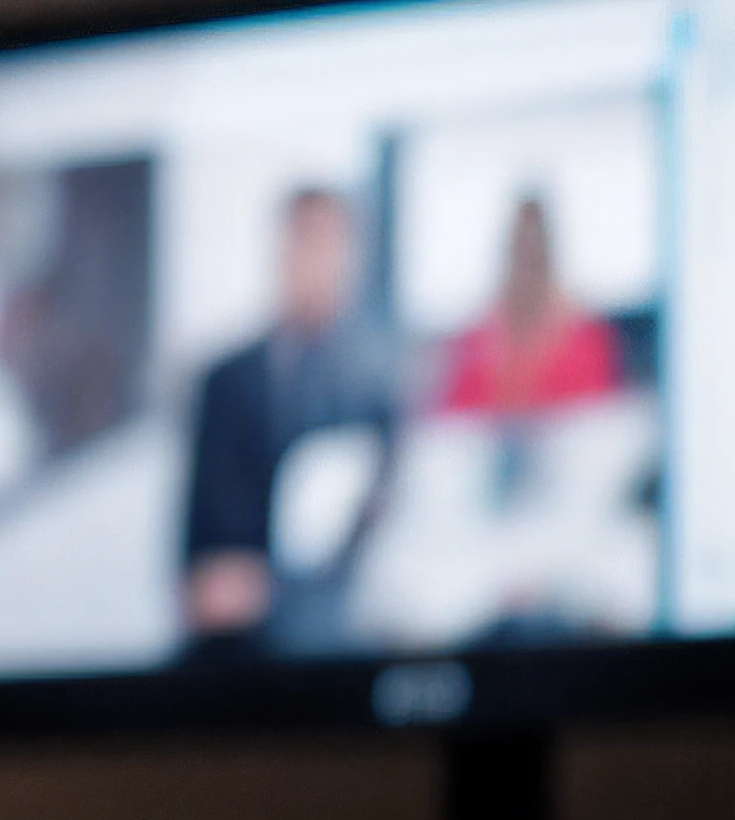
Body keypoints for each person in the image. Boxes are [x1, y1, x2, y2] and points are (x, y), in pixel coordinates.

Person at [178, 186, 399, 650]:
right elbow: (205, 583)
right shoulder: (226, 382)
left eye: (330, 244)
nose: (315, 262)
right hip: (244, 660)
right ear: (280, 251)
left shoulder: (379, 388)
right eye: (304, 241)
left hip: (346, 643)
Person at [436, 194, 624, 418]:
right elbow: (456, 427)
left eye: (535, 256)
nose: (527, 271)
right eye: (521, 253)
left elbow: (596, 422)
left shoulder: (586, 340)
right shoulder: (474, 346)